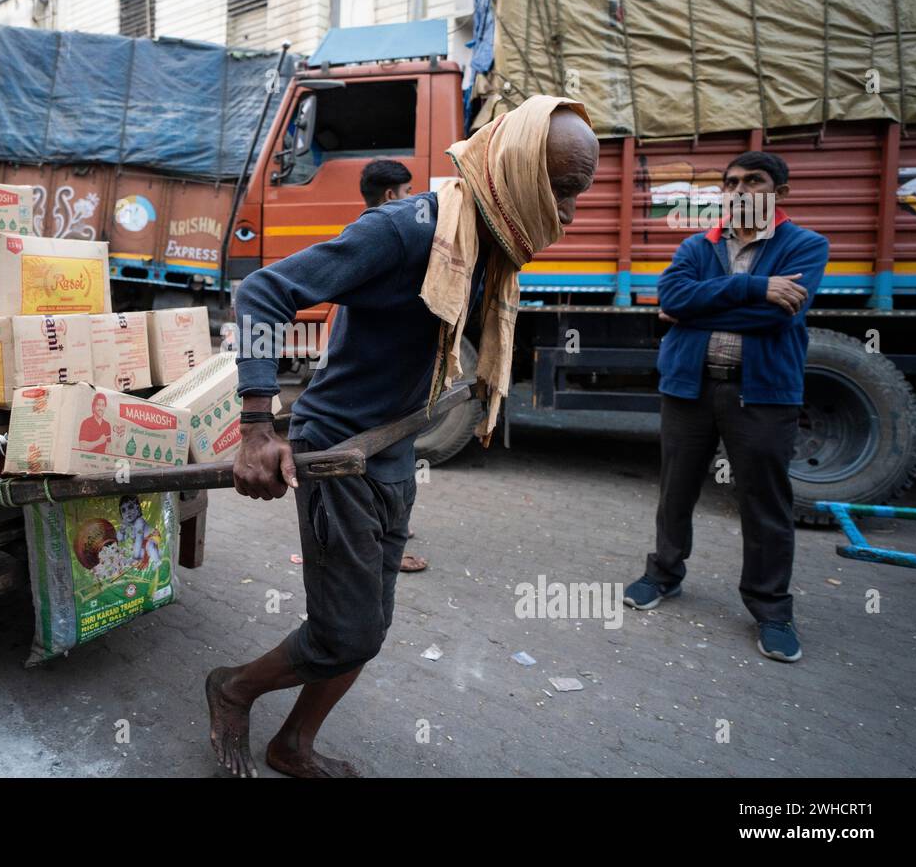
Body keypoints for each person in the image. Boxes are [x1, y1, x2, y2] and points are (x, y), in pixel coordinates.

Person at [206, 95, 600, 777]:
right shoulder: (409, 230)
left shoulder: (488, 238)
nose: (568, 214)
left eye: (577, 195)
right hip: (337, 453)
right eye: (561, 191)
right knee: (345, 631)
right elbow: (264, 293)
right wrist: (256, 427)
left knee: (368, 630)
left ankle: (292, 744)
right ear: (517, 171)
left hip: (391, 447)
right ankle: (232, 688)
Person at [623, 151, 829, 664]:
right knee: (676, 490)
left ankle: (772, 609)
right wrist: (754, 288)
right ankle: (663, 574)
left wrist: (695, 309)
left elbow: (780, 319)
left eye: (753, 181)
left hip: (760, 393)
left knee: (765, 501)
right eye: (731, 183)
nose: (739, 190)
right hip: (690, 389)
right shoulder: (700, 244)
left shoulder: (806, 246)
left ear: (779, 192)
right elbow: (670, 295)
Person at [358, 160, 429, 573]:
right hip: (378, 376)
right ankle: (385, 545)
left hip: (379, 373)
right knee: (379, 462)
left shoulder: (373, 234)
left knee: (391, 459)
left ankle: (390, 535)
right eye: (408, 193)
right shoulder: (384, 237)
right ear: (391, 195)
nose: (415, 201)